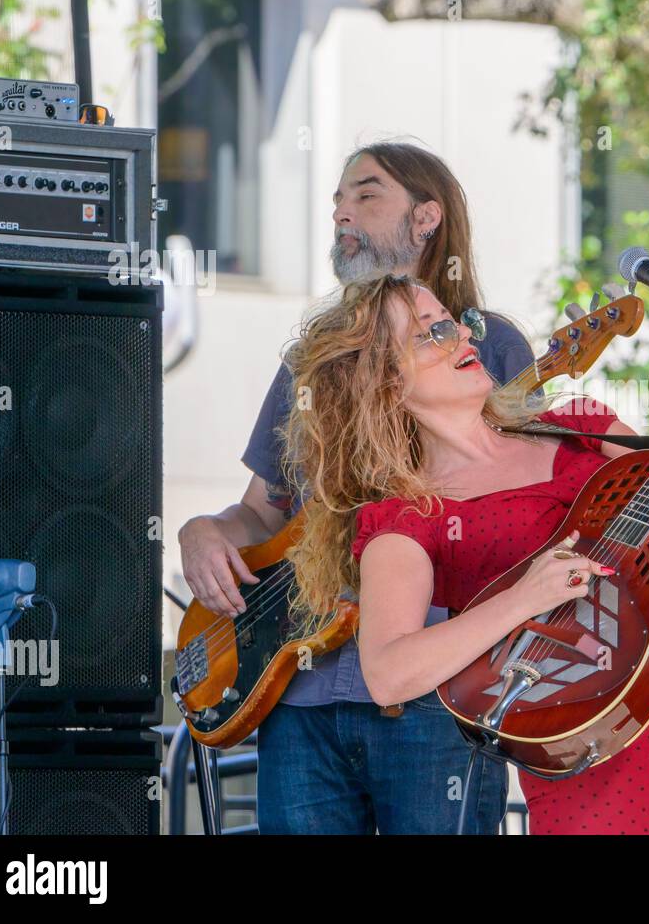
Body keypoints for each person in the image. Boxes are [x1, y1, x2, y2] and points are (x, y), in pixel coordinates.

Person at [282, 273, 649, 834]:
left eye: (456, 320)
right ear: (385, 382)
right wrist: (522, 599)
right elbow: (389, 672)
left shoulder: (577, 427)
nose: (462, 333)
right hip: (588, 756)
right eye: (430, 332)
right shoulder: (406, 518)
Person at [176, 142, 529, 833]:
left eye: (366, 194)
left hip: (435, 694)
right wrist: (205, 531)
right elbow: (261, 508)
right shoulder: (315, 357)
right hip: (299, 689)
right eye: (337, 198)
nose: (341, 210)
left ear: (427, 218)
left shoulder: (492, 347)